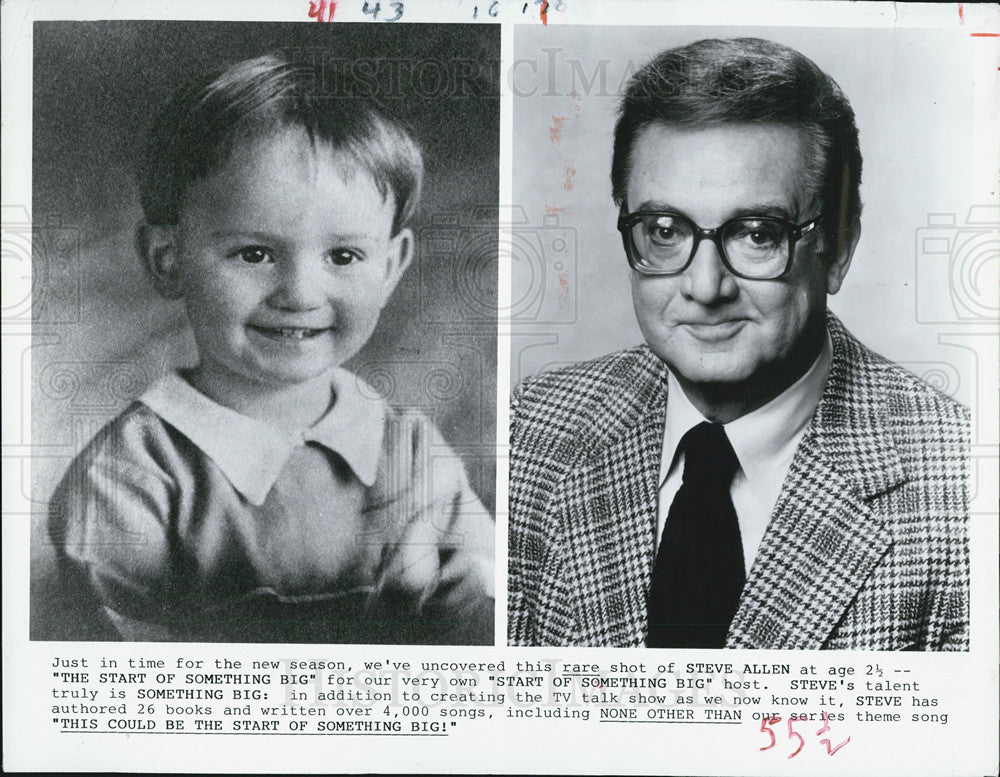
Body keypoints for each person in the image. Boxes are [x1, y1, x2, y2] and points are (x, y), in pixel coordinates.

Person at [507, 38, 969, 650]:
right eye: (665, 231)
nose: (705, 287)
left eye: (756, 234)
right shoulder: (530, 429)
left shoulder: (960, 489)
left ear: (839, 247)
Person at [45, 53, 494, 644]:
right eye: (254, 253)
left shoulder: (412, 452)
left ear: (391, 266)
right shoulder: (128, 477)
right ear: (168, 259)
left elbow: (484, 624)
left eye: (343, 256)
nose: (300, 294)